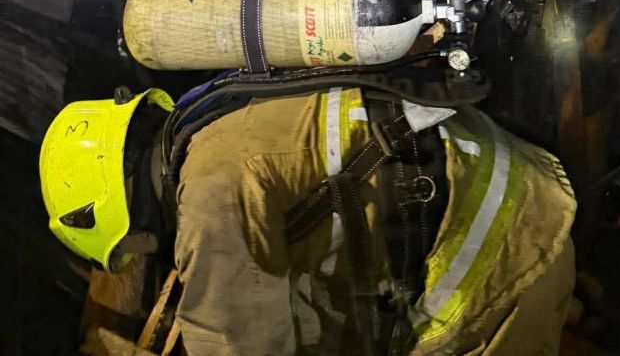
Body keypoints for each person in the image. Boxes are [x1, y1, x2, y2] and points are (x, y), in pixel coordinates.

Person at [40, 81, 576, 356]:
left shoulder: (208, 194)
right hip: (506, 170)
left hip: (499, 254)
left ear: (117, 207)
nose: (147, 252)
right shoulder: (214, 114)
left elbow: (238, 345)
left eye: (130, 246)